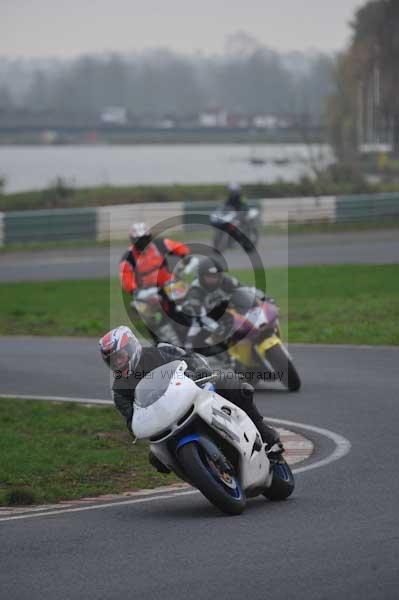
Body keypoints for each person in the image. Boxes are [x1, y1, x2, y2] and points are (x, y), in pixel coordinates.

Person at [98, 326, 284, 472]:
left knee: (232, 383)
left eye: (120, 357)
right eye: (112, 361)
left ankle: (266, 435)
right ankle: (200, 473)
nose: (118, 363)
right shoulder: (119, 390)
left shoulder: (160, 351)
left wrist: (198, 371)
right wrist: (136, 427)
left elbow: (191, 358)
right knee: (157, 460)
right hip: (163, 421)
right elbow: (131, 420)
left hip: (190, 393)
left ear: (131, 347)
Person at [181, 255, 241, 354]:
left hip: (221, 311)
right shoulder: (195, 291)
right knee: (195, 329)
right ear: (201, 276)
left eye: (215, 276)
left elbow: (245, 291)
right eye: (209, 276)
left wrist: (262, 299)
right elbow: (201, 316)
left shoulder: (228, 281)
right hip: (200, 315)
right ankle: (188, 353)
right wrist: (216, 327)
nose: (213, 279)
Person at [119, 222, 191, 295]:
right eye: (140, 240)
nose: (143, 242)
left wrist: (185, 257)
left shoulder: (159, 244)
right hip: (146, 292)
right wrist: (135, 291)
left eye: (145, 239)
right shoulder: (128, 257)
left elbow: (179, 247)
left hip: (168, 285)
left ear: (149, 237)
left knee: (187, 294)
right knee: (139, 305)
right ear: (133, 240)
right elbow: (127, 279)